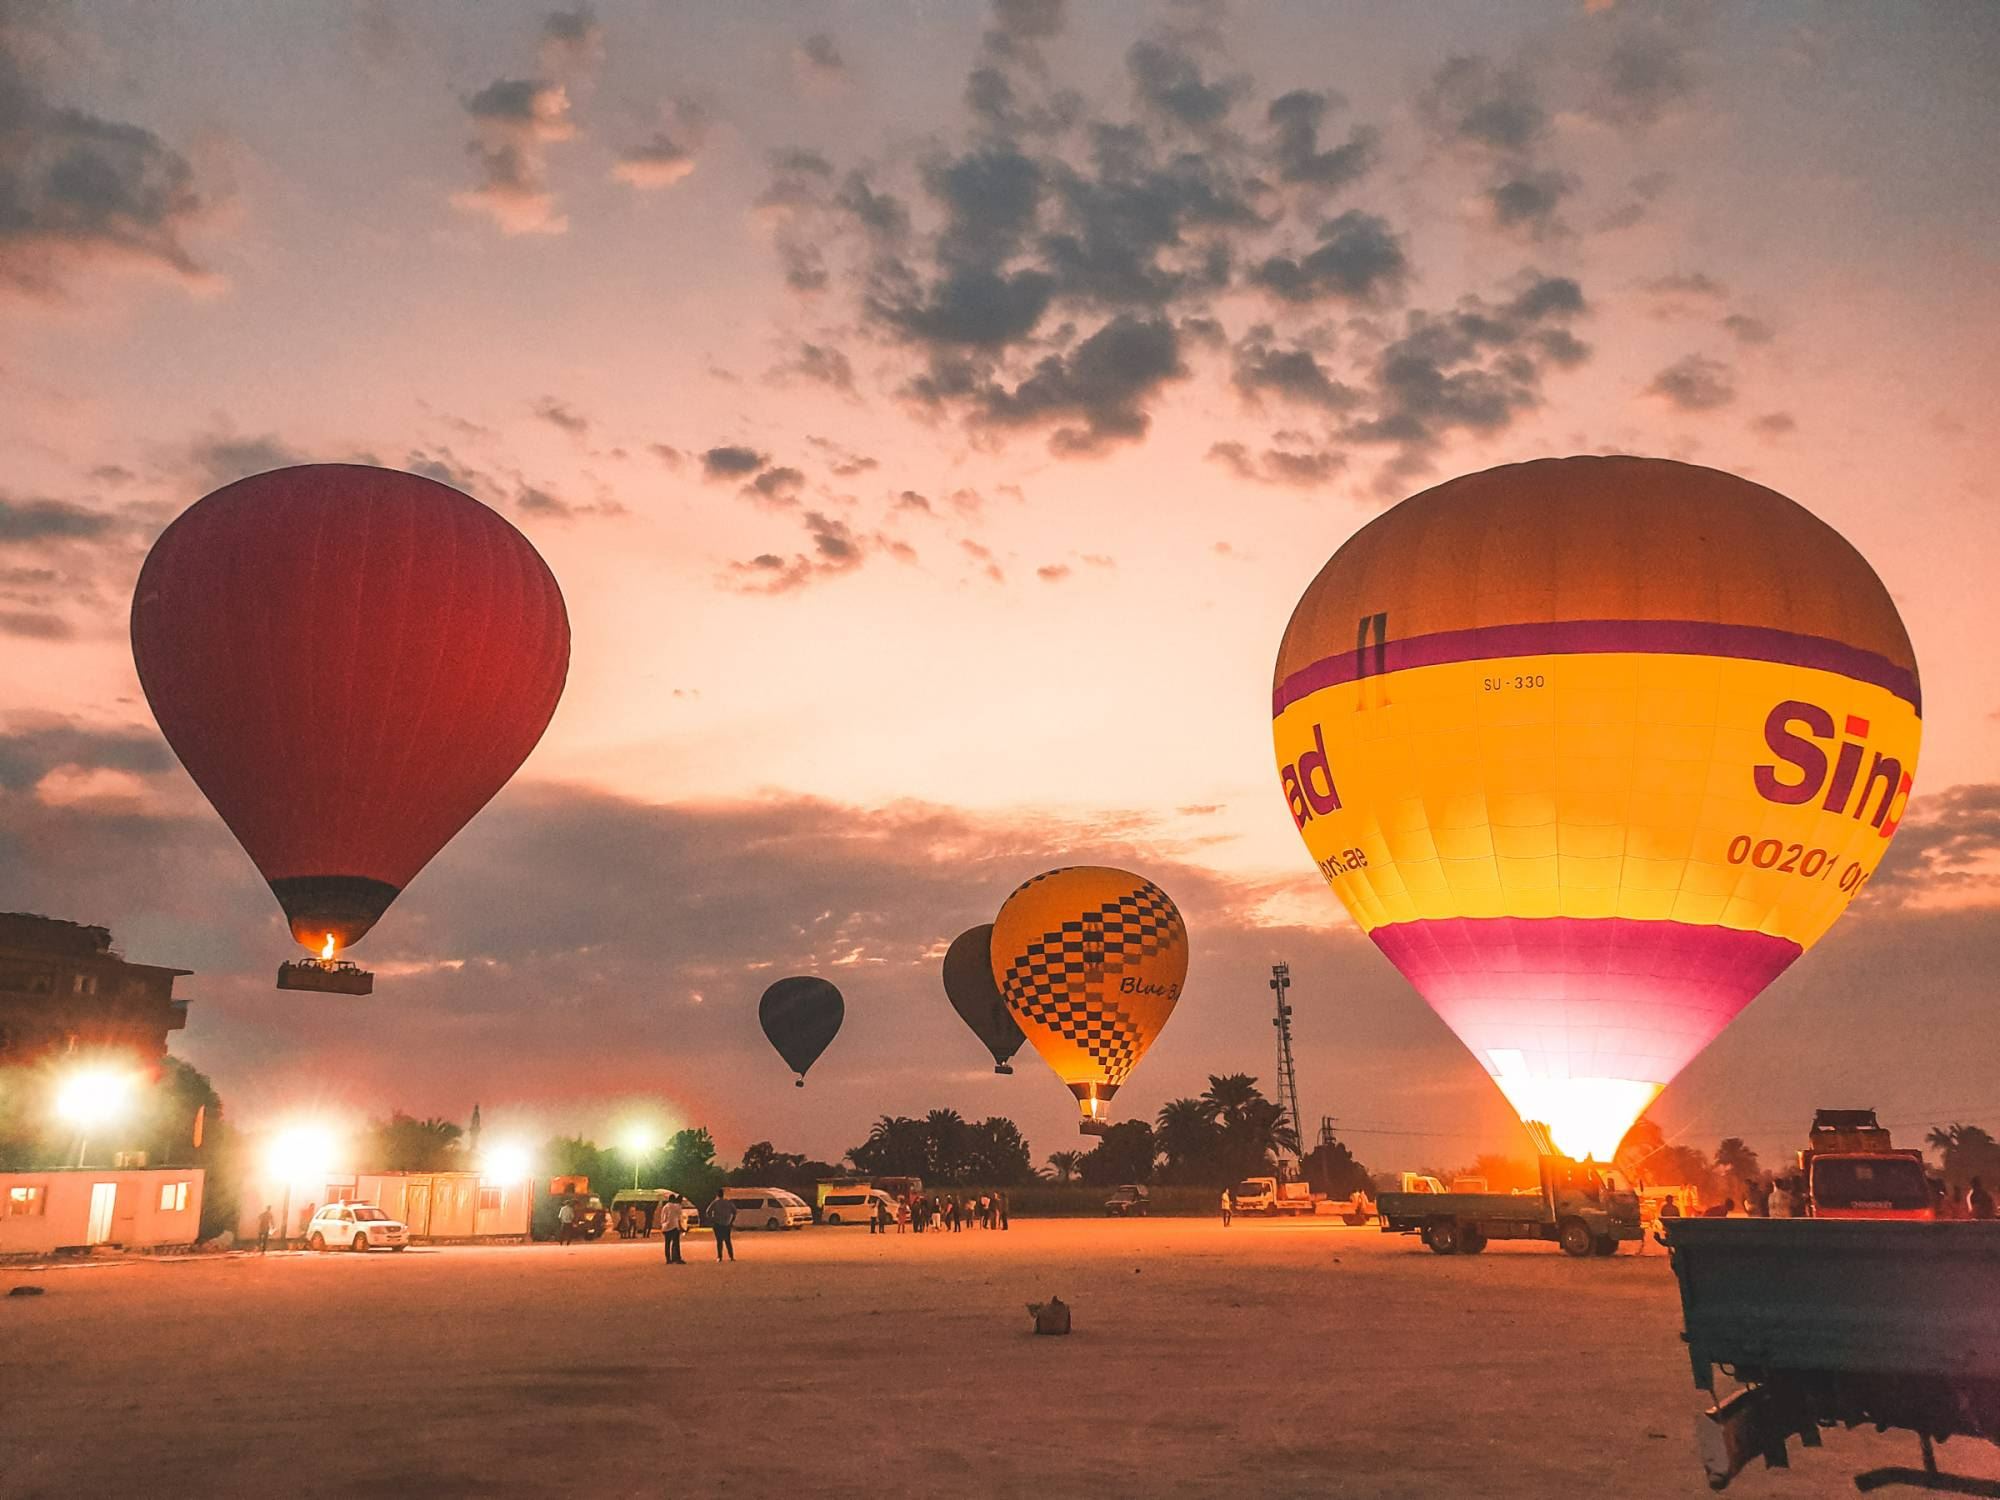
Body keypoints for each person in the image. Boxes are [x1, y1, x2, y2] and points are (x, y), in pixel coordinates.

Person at [708, 1192, 737, 1260]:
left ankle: (719, 1257)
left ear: (717, 1195)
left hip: (717, 1224)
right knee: (728, 1241)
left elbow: (708, 1211)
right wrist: (731, 1221)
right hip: (727, 1224)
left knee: (719, 1241)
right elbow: (735, 1212)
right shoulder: (728, 1202)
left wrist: (712, 1220)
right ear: (723, 1194)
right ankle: (731, 1256)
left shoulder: (715, 1203)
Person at [658, 1195, 685, 1265]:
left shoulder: (665, 1207)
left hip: (666, 1227)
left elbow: (662, 1218)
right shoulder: (676, 1207)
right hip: (674, 1227)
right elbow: (678, 1218)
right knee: (676, 1243)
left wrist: (663, 1226)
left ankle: (668, 1259)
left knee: (667, 1244)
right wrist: (681, 1227)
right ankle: (677, 1258)